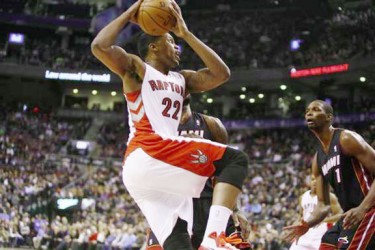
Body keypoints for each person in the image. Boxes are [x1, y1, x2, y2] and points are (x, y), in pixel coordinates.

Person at [91, 1, 249, 249]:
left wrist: (185, 33)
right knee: (235, 160)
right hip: (150, 149)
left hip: (147, 172)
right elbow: (100, 46)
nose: (177, 48)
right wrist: (129, 14)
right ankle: (214, 237)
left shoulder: (182, 79)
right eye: (171, 42)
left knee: (177, 239)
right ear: (153, 46)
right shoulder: (137, 69)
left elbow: (222, 74)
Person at [145, 95, 252, 250]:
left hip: (208, 203)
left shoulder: (211, 125)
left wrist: (235, 209)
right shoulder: (157, 128)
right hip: (173, 206)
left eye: (186, 85)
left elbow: (225, 170)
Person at [283, 100, 375, 249]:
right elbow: (323, 205)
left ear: (329, 117)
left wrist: (363, 208)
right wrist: (307, 224)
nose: (309, 113)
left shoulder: (346, 139)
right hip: (351, 215)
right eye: (307, 111)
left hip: (370, 209)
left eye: (316, 109)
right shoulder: (318, 159)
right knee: (327, 243)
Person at [289, 175, 342, 250]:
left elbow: (340, 215)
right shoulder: (303, 197)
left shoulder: (329, 196)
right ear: (309, 182)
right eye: (312, 179)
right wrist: (296, 225)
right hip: (304, 236)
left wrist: (322, 219)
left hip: (321, 237)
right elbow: (301, 217)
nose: (315, 182)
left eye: (317, 180)